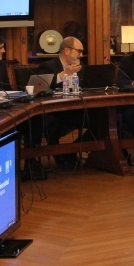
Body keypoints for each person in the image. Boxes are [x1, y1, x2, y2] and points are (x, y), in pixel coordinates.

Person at [37, 36, 89, 168]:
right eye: (79, 51)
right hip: (55, 112)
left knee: (99, 118)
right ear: (67, 51)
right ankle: (59, 156)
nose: (81, 55)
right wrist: (64, 74)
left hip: (76, 109)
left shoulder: (80, 67)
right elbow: (41, 87)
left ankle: (71, 151)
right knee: (51, 122)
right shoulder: (47, 66)